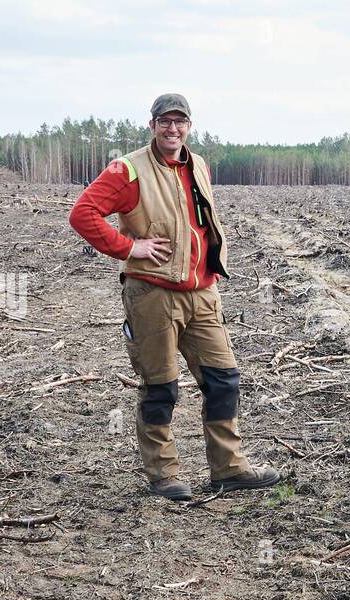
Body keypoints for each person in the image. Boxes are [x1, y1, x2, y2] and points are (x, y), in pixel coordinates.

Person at [70, 93, 279, 501]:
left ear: (189, 125)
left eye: (180, 122)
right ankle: (163, 475)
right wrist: (130, 249)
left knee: (223, 381)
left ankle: (229, 468)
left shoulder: (198, 164)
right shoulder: (128, 169)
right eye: (165, 122)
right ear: (152, 126)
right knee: (160, 386)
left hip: (202, 293)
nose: (173, 129)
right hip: (153, 294)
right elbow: (83, 214)